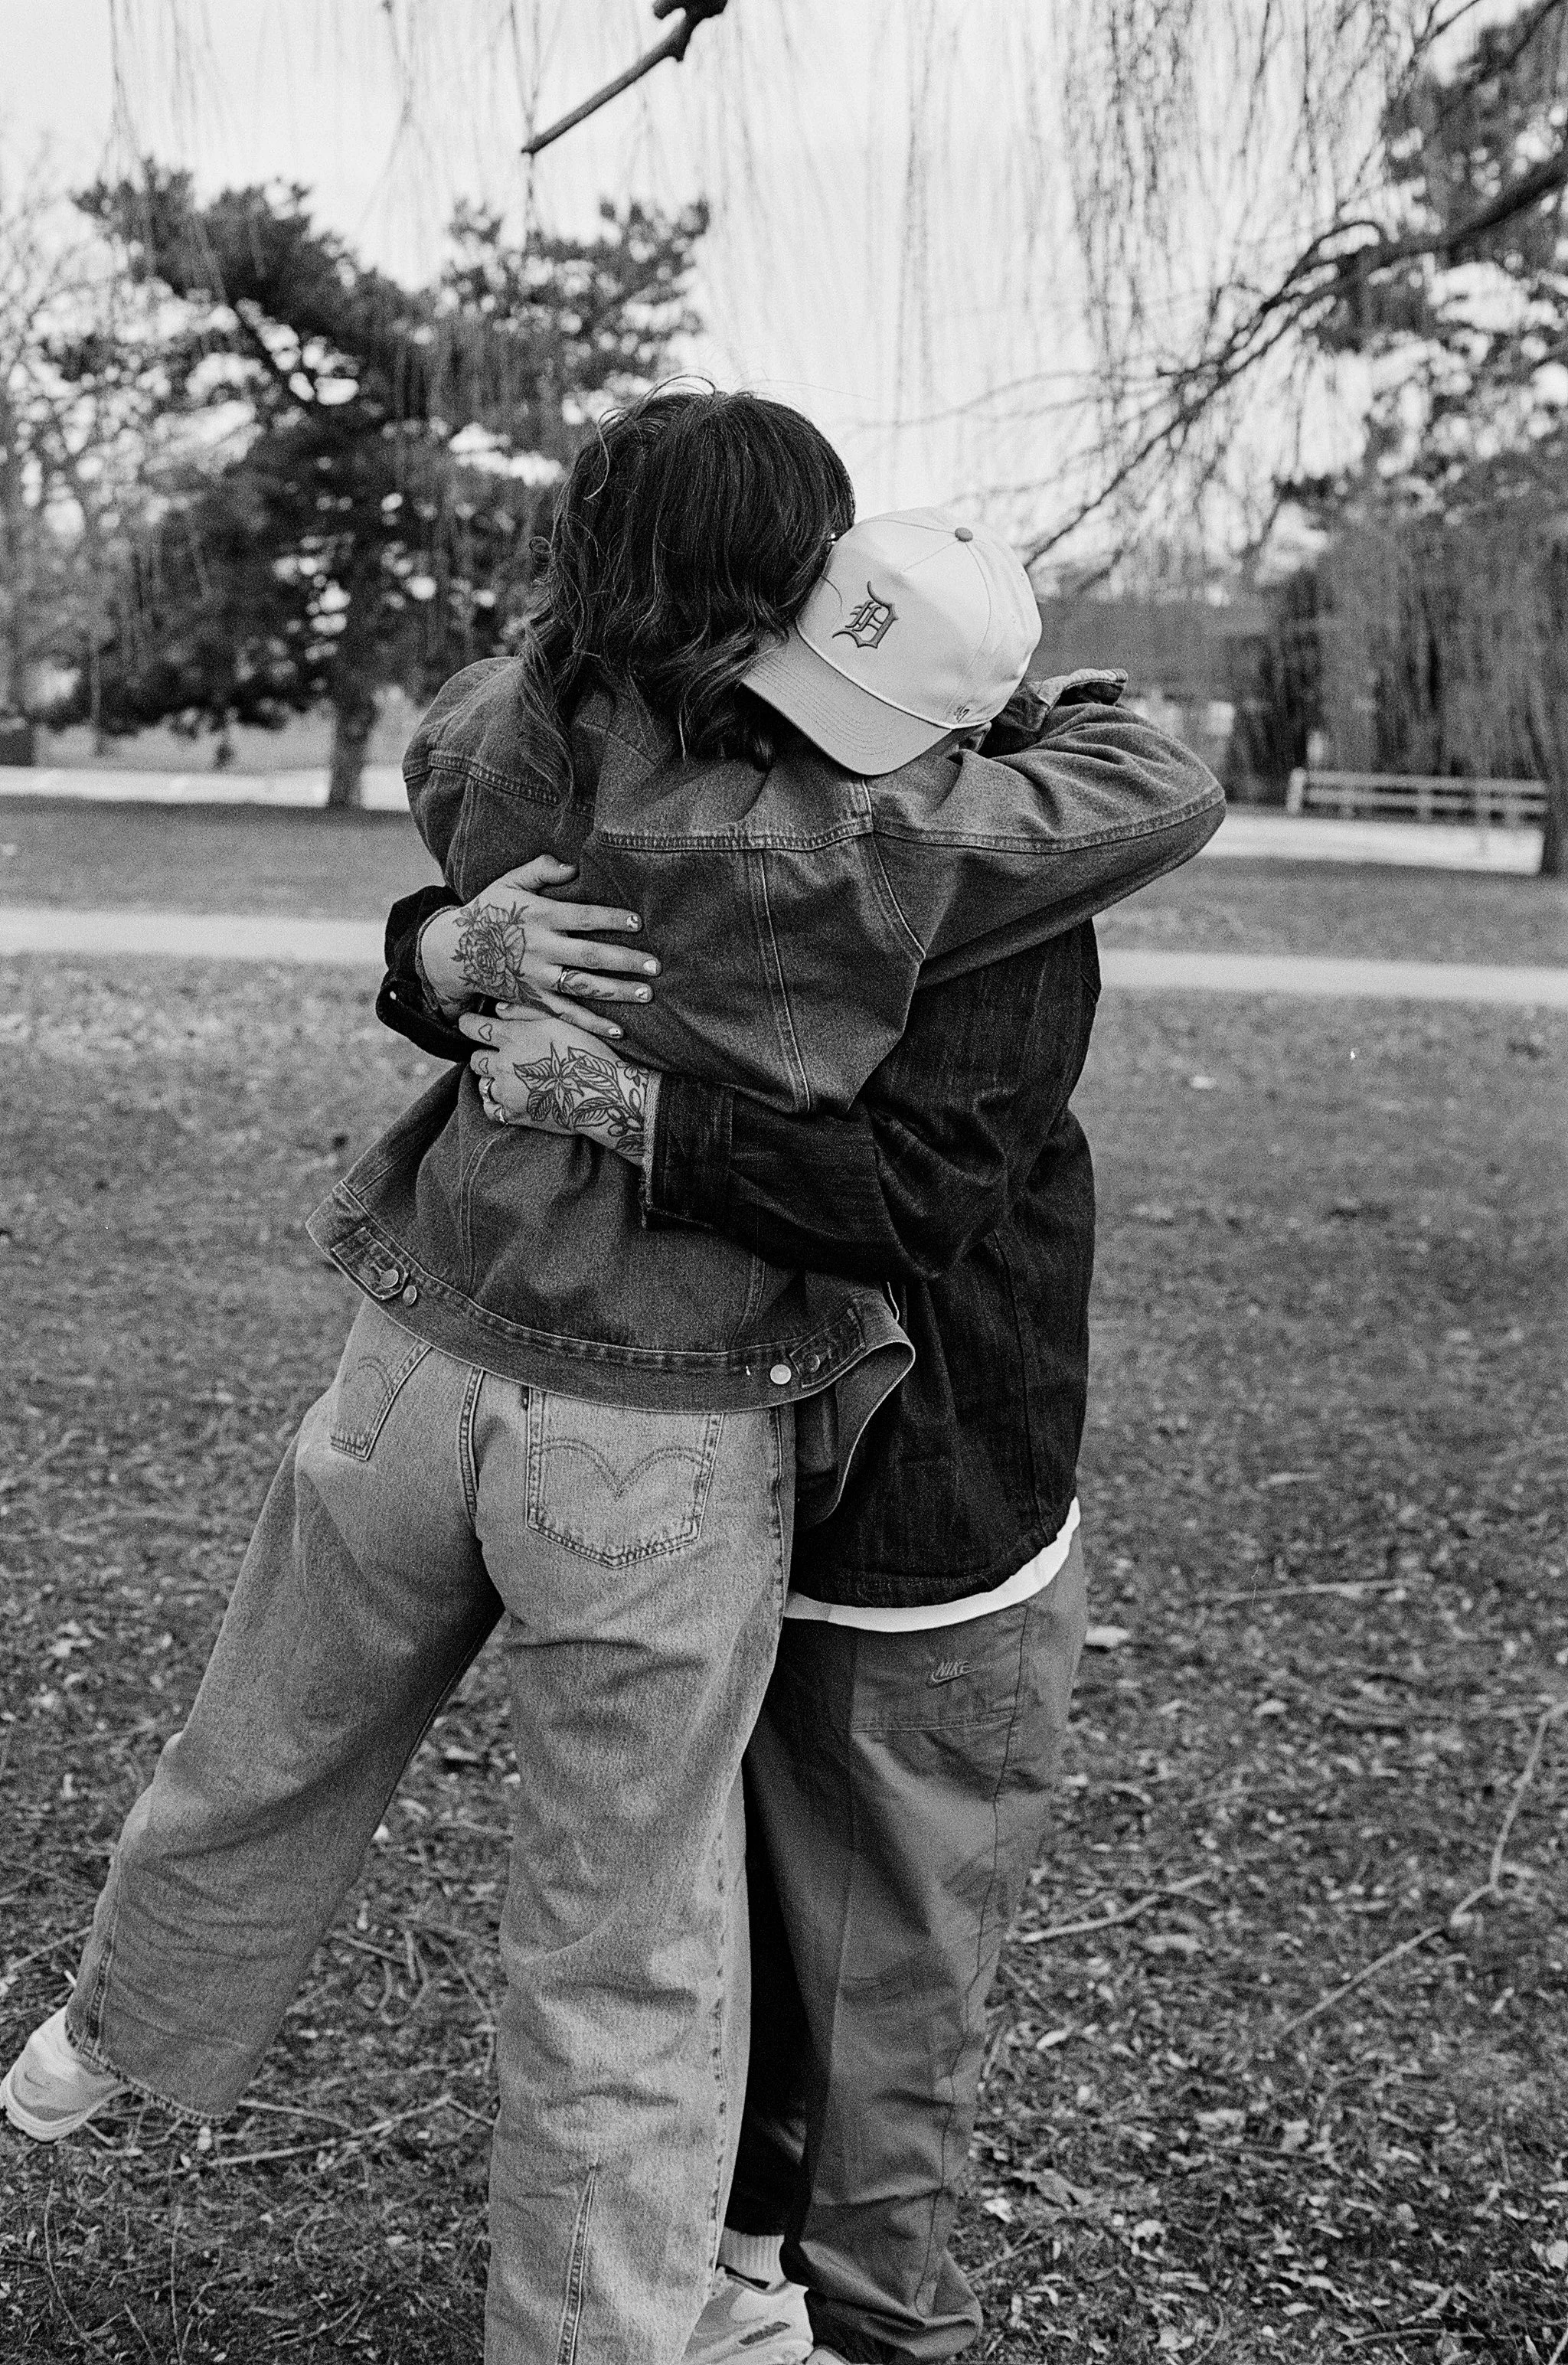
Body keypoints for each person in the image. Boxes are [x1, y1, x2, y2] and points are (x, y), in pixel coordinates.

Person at [3, 387, 1220, 2365]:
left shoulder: (523, 740)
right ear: (773, 612)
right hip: (646, 1428)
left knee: (272, 1723)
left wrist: (458, 943)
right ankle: (607, 2332)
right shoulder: (874, 845)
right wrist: (1059, 705)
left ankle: (106, 2026)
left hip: (417, 1347)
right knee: (625, 1941)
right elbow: (1154, 798)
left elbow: (438, 742)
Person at [397, 677, 1125, 2365]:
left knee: (878, 1985)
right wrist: (446, 950)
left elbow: (914, 1196)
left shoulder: (982, 881)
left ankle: (878, 2331)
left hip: (910, 1500)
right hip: (698, 1473)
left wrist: (621, 1108)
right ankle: (721, 2278)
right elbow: (503, 918)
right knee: (688, 1937)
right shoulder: (709, 795)